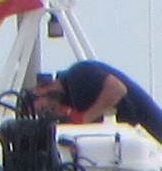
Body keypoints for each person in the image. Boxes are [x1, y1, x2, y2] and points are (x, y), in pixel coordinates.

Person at [33, 60, 162, 144]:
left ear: (40, 91)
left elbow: (117, 89)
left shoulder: (77, 75)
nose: (49, 111)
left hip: (150, 131)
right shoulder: (72, 97)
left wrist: (86, 118)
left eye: (43, 108)